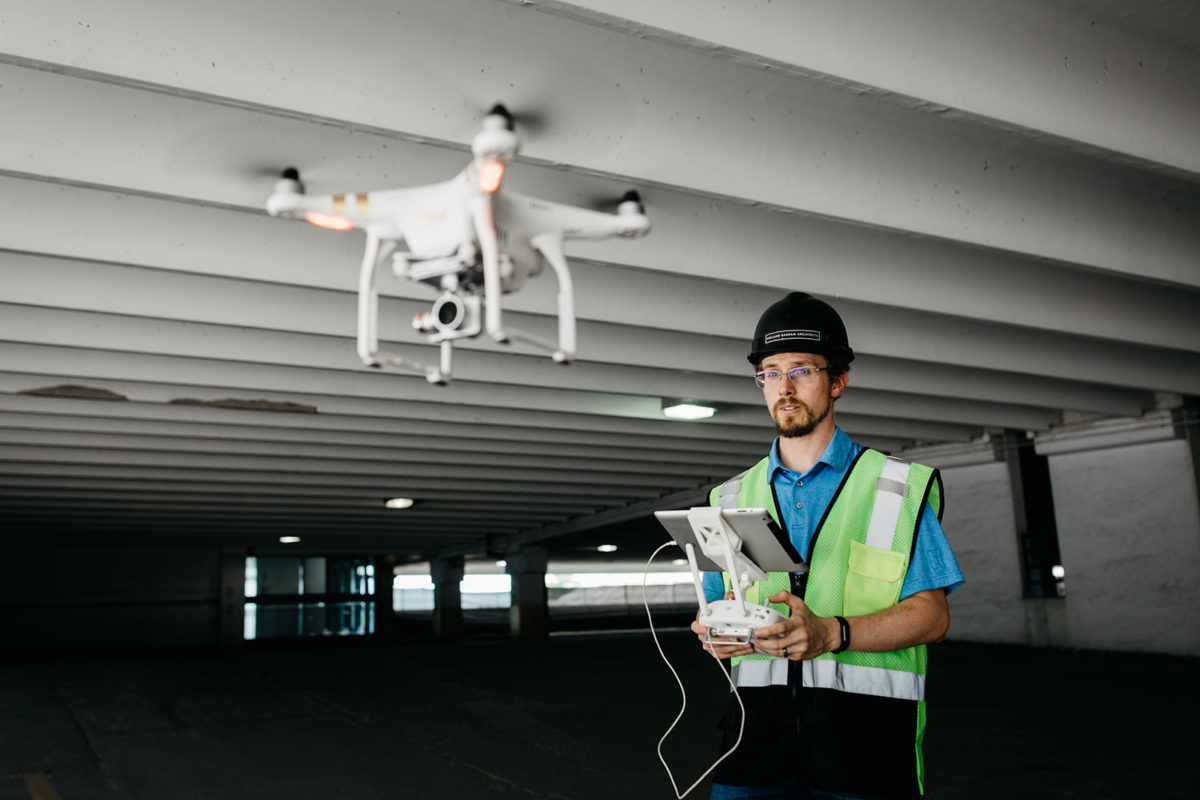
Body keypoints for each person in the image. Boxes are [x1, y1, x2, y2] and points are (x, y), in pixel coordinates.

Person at [692, 292, 964, 800]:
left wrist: (832, 632)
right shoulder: (727, 498)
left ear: (838, 381)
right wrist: (715, 635)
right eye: (771, 372)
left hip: (867, 752)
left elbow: (932, 616)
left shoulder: (897, 488)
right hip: (752, 750)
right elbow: (716, 610)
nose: (784, 387)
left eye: (802, 370)